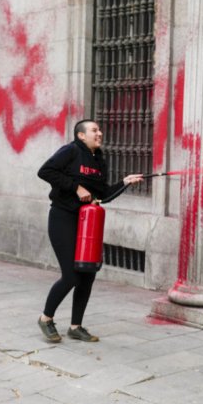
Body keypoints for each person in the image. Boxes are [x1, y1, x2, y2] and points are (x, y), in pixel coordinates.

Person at [35, 120, 143, 343]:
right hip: (63, 218)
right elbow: (45, 171)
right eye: (94, 130)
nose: (99, 133)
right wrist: (76, 187)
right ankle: (46, 318)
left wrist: (124, 182)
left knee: (87, 274)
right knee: (71, 275)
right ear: (81, 135)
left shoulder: (99, 161)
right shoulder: (71, 151)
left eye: (100, 130)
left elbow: (103, 196)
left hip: (88, 223)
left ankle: (76, 327)